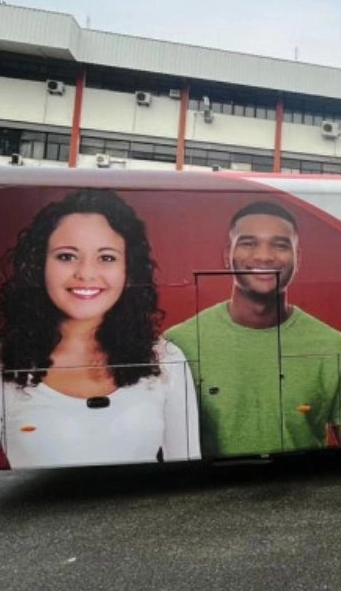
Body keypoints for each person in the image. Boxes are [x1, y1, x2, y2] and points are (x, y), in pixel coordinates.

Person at [0, 188, 200, 468]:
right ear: (39, 265)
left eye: (106, 258)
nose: (86, 273)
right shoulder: (6, 363)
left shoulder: (166, 359)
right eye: (67, 256)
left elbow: (187, 474)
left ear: (128, 271)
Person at [165, 201, 341, 458]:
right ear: (227, 255)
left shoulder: (335, 347)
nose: (264, 256)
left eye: (280, 245)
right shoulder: (179, 344)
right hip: (211, 495)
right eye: (248, 243)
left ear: (298, 258)